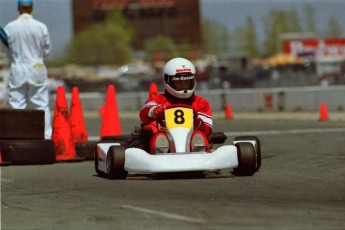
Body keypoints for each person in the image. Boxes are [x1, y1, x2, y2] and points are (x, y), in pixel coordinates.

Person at [140, 57, 212, 154]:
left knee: (198, 135)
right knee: (158, 136)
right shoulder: (158, 99)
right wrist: (154, 111)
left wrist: (197, 123)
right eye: (179, 82)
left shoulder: (200, 102)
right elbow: (143, 115)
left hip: (190, 141)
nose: (183, 86)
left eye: (186, 81)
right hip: (165, 139)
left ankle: (199, 150)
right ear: (168, 81)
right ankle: (160, 150)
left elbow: (208, 131)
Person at [5, 0, 52, 139]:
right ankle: (45, 137)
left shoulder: (9, 27)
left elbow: (8, 52)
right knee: (41, 105)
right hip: (37, 67)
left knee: (16, 106)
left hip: (18, 68)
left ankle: (17, 137)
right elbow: (47, 50)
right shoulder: (41, 27)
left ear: (18, 9)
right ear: (32, 9)